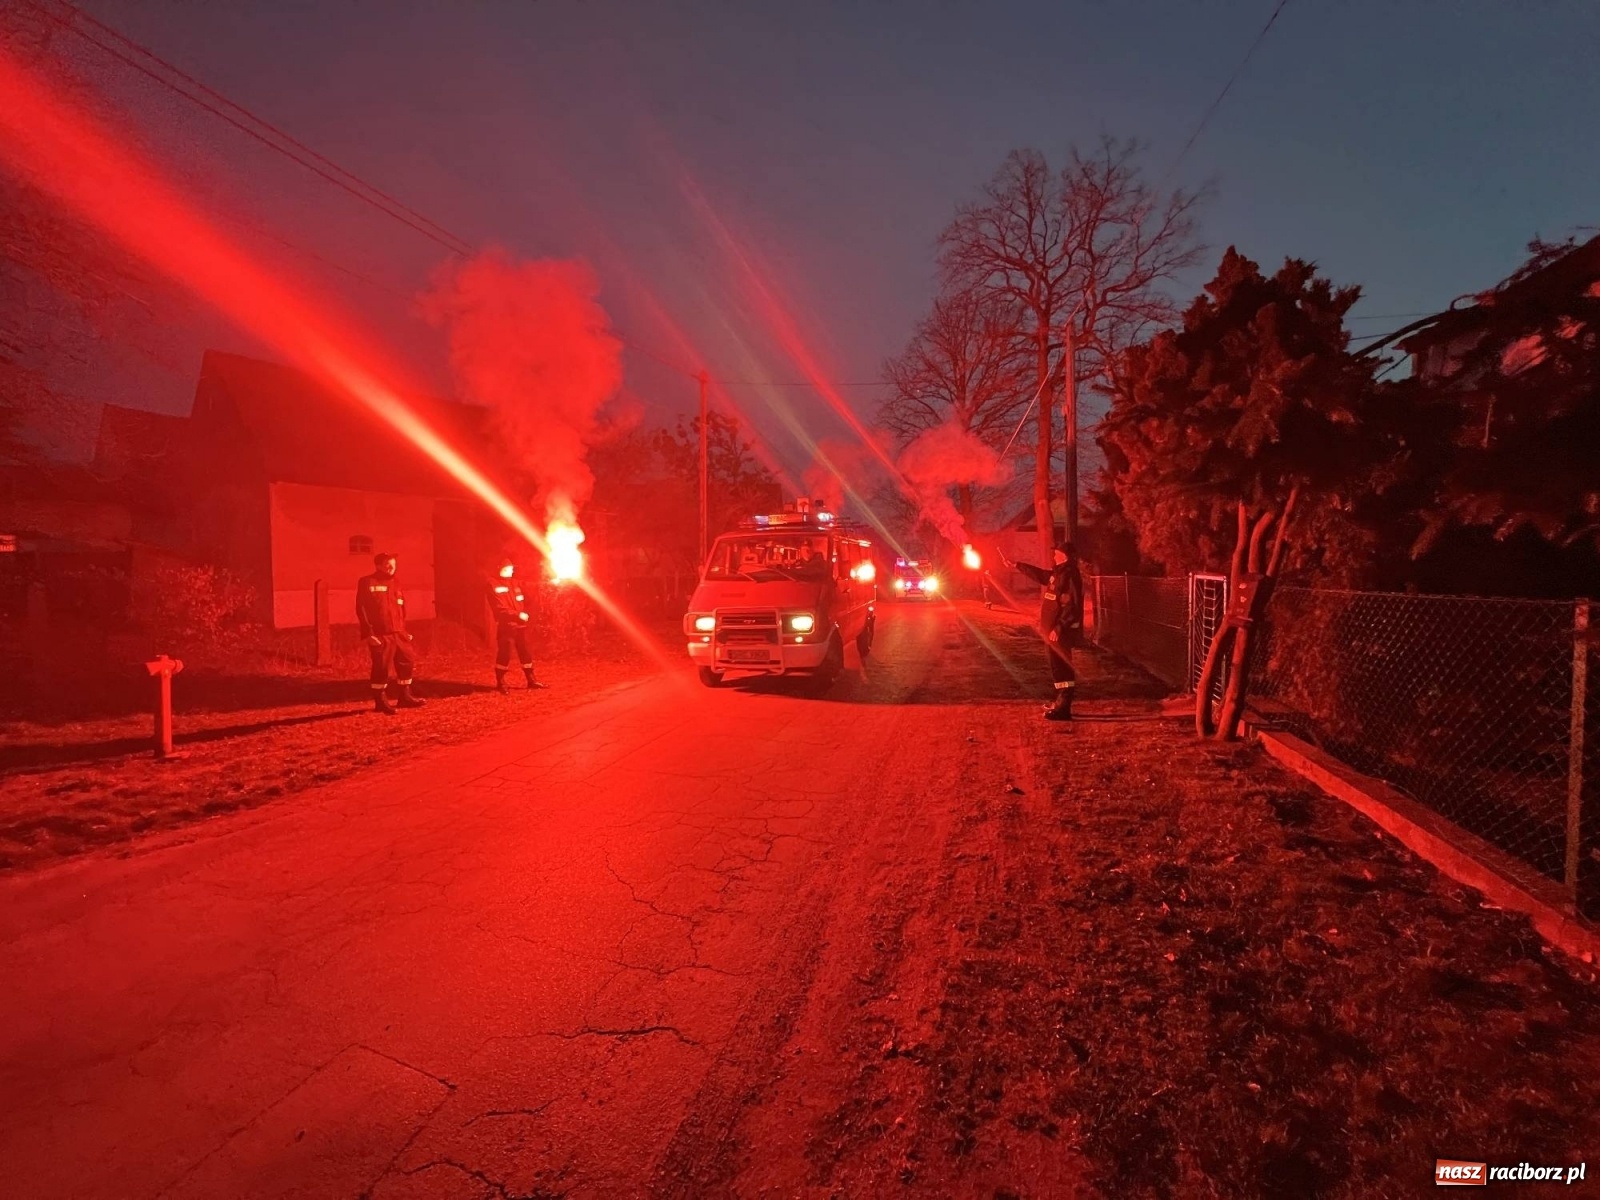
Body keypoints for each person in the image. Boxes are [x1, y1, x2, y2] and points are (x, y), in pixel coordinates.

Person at [999, 541, 1084, 720]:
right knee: (1057, 668)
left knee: (1062, 668)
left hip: (1059, 632)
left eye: (1056, 553)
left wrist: (1060, 627)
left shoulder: (1070, 574)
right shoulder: (1058, 573)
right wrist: (1017, 565)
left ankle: (1063, 708)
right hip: (1051, 631)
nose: (1053, 556)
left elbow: (1073, 605)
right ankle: (1060, 703)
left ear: (1064, 555)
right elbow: (1040, 575)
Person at [356, 552, 424, 715]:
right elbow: (361, 608)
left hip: (399, 633)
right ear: (378, 565)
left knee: (407, 661)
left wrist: (404, 630)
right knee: (381, 667)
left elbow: (401, 608)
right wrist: (369, 633)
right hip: (381, 634)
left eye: (393, 564)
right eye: (387, 564)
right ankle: (380, 701)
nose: (391, 567)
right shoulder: (367, 582)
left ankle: (405, 697)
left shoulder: (396, 583)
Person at [487, 559, 547, 693]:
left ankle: (531, 680)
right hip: (506, 626)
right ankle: (501, 682)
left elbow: (530, 586)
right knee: (505, 653)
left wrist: (547, 584)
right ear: (501, 569)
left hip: (520, 625)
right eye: (509, 568)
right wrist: (517, 615)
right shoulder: (492, 584)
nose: (512, 570)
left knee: (525, 651)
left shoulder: (515, 583)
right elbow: (499, 608)